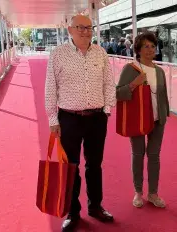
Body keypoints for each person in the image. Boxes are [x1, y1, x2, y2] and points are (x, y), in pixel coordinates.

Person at [44, 15, 116, 231]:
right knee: (71, 167)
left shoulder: (101, 53)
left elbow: (109, 83)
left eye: (89, 27)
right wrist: (52, 119)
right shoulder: (58, 54)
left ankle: (95, 206)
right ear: (70, 30)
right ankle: (73, 212)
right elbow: (50, 88)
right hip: (69, 118)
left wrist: (107, 109)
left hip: (96, 118)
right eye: (80, 27)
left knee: (95, 165)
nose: (86, 31)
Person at [116, 32, 170, 208]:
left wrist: (164, 114)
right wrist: (134, 84)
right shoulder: (131, 69)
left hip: (157, 119)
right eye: (146, 46)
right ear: (138, 49)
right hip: (138, 119)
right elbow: (117, 93)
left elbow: (162, 96)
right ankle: (138, 192)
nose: (150, 50)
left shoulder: (160, 71)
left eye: (153, 46)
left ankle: (153, 193)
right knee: (138, 155)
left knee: (154, 156)